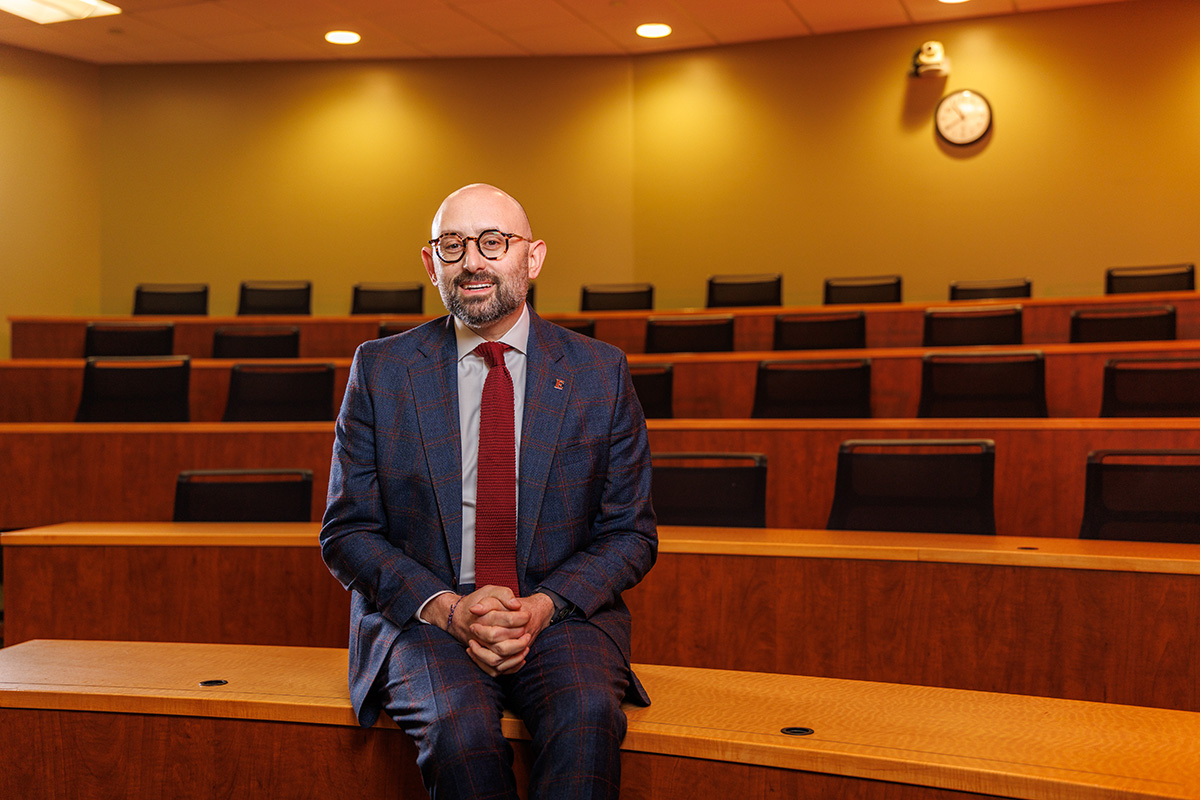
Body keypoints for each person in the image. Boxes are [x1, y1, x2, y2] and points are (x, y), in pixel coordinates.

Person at [320, 183, 657, 800]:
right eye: (454, 245)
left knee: (587, 719)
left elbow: (630, 534)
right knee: (458, 730)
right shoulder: (381, 369)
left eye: (493, 242)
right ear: (432, 263)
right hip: (424, 617)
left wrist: (543, 606)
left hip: (559, 616)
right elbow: (347, 532)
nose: (472, 260)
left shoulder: (598, 373)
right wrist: (450, 609)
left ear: (532, 257)